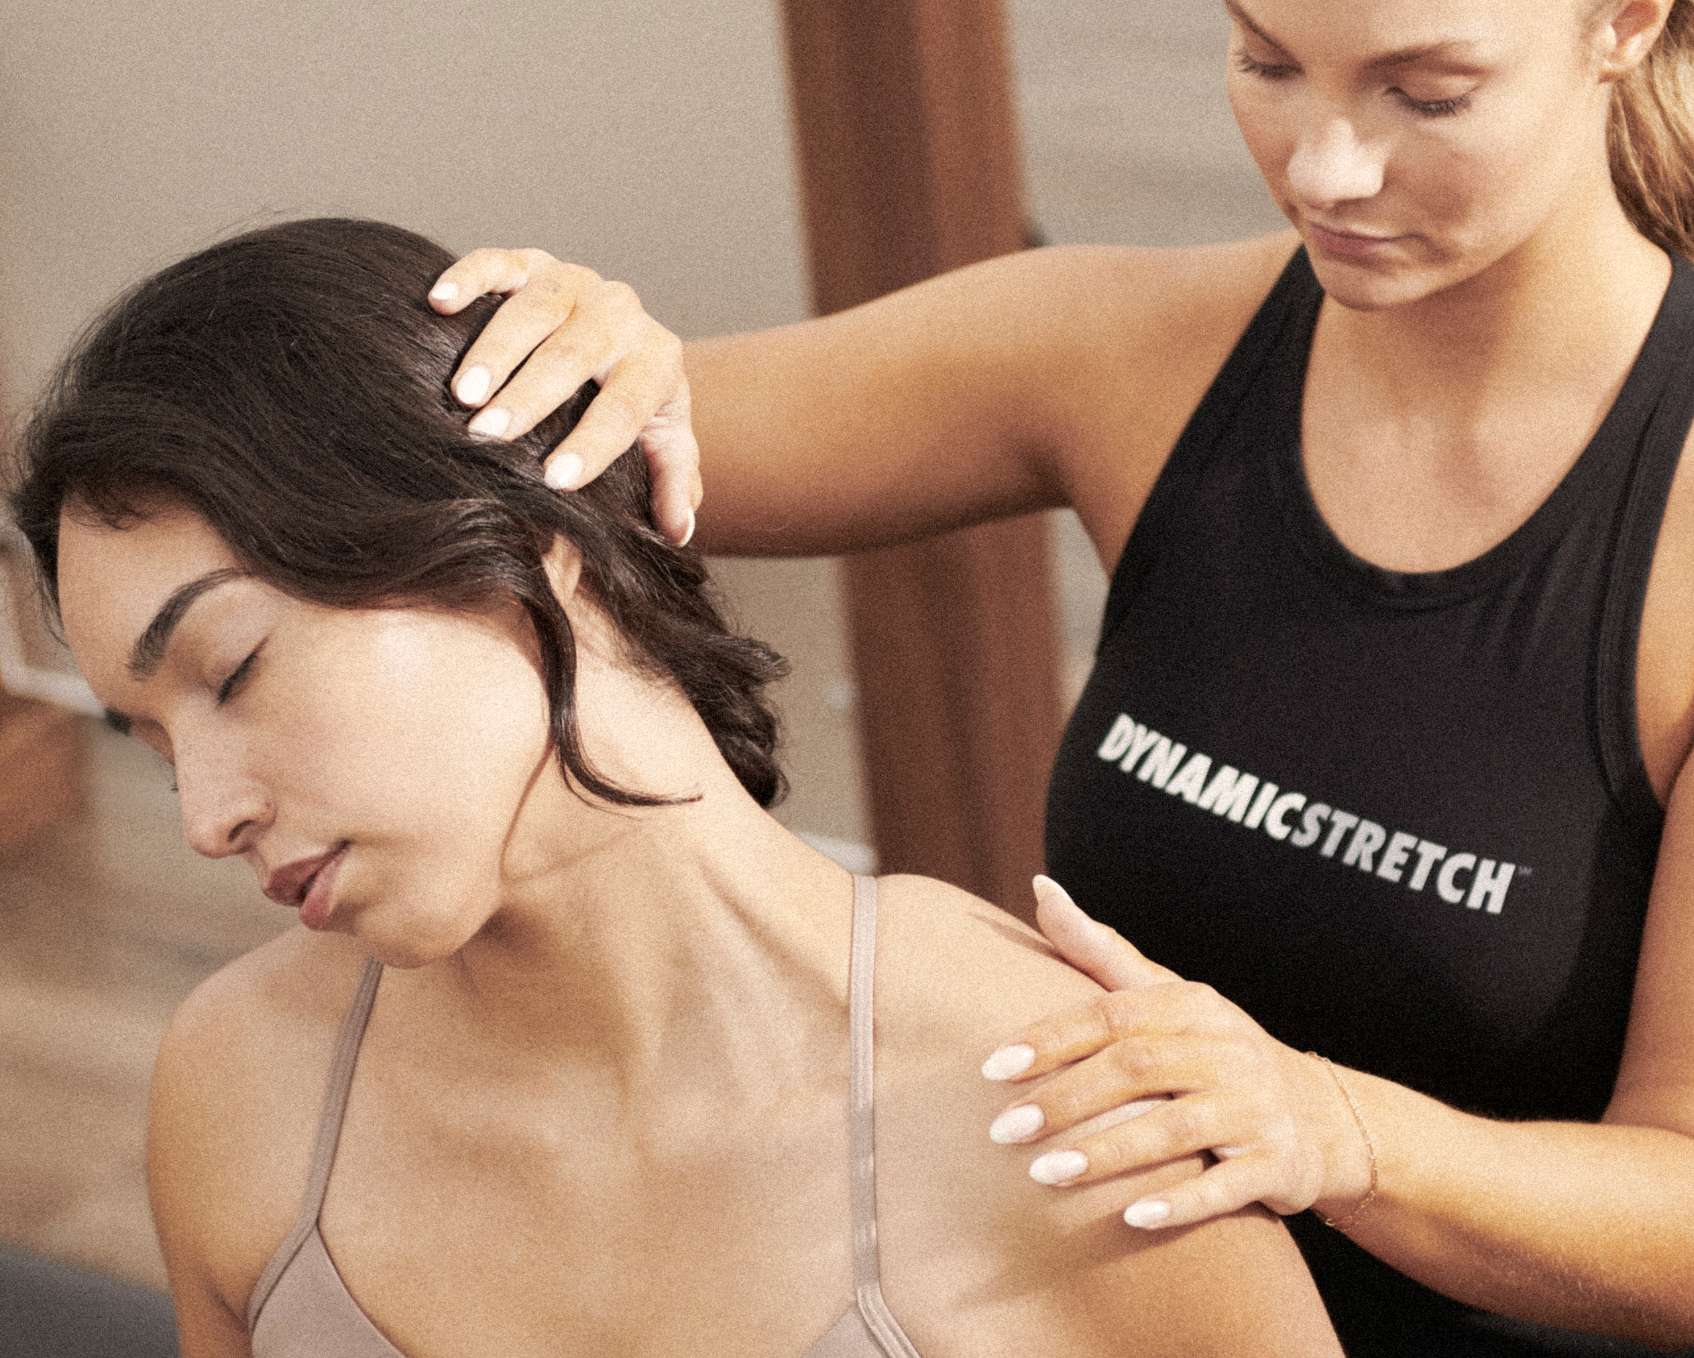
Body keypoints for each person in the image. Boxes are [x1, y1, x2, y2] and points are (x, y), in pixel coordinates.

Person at [418, 0, 1694, 1351]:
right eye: (1265, 62)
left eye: (1424, 93)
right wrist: (576, 350)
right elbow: (590, 446)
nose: (1323, 167)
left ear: (1620, 21)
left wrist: (1335, 1129)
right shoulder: (1133, 348)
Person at [6, 218, 1341, 1358]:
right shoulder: (243, 1089)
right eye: (153, 741)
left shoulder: (1051, 1109)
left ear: (522, 540)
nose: (206, 814)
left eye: (232, 668)